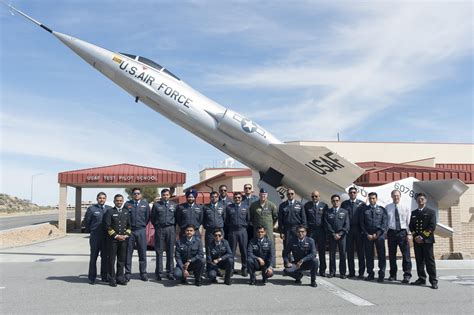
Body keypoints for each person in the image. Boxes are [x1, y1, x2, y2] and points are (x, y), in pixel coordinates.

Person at [409, 193, 438, 289]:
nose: (420, 200)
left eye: (422, 199)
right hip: (417, 241)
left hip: (427, 241)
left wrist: (421, 237)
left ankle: (433, 281)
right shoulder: (413, 213)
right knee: (419, 261)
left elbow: (432, 227)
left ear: (425, 200)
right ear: (416, 201)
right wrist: (415, 236)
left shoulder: (431, 212)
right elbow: (411, 226)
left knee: (430, 261)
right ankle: (421, 279)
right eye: (418, 199)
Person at [84, 192, 111, 284]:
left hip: (106, 237)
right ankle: (92, 277)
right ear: (97, 199)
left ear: (106, 199)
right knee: (93, 257)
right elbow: (86, 222)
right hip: (95, 237)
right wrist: (92, 231)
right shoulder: (91, 209)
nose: (102, 199)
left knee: (105, 258)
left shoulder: (109, 209)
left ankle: (104, 276)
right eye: (100, 198)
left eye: (103, 198)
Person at [360, 192, 388, 282]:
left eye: (373, 198)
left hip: (379, 235)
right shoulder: (364, 210)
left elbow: (384, 223)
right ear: (368, 199)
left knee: (381, 255)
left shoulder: (382, 209)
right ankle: (370, 274)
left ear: (376, 199)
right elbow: (362, 223)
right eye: (370, 198)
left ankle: (381, 274)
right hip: (368, 235)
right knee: (369, 255)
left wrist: (378, 234)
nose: (372, 200)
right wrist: (367, 234)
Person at [385, 190, 412, 283]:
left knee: (406, 255)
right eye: (394, 195)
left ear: (400, 196)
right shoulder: (387, 207)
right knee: (392, 255)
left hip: (402, 232)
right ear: (391, 196)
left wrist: (409, 234)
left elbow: (409, 221)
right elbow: (386, 222)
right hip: (391, 233)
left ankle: (407, 275)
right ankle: (393, 274)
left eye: (397, 195)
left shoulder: (405, 207)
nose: (396, 197)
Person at [150, 188, 177, 281]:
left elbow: (176, 218)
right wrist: (158, 226)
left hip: (170, 229)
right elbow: (152, 218)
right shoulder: (156, 205)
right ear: (161, 196)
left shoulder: (174, 205)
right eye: (164, 195)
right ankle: (159, 273)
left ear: (169, 196)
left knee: (170, 251)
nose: (165, 196)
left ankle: (170, 272)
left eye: (167, 195)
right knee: (159, 252)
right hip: (160, 229)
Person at [124, 187, 150, 282]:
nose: (136, 195)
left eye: (138, 193)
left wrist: (141, 226)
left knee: (142, 253)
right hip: (130, 231)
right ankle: (127, 273)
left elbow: (147, 218)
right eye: (134, 193)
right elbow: (124, 217)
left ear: (141, 195)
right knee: (128, 253)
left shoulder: (145, 204)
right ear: (132, 195)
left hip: (141, 230)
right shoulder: (127, 204)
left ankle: (143, 273)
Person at [104, 194, 131, 287]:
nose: (119, 202)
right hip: (113, 240)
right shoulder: (110, 212)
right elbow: (107, 226)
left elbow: (129, 226)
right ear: (114, 201)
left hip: (123, 240)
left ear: (123, 201)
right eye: (117, 201)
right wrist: (116, 236)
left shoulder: (126, 212)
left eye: (120, 201)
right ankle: (112, 278)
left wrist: (126, 235)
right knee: (111, 260)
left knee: (121, 260)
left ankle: (120, 278)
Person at [249, 188, 278, 267]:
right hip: (257, 229)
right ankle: (257, 263)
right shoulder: (254, 205)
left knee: (269, 245)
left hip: (268, 229)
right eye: (261, 194)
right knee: (257, 245)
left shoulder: (271, 205)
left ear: (267, 195)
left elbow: (275, 217)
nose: (263, 196)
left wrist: (270, 225)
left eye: (264, 195)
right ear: (259, 195)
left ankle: (270, 264)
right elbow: (251, 216)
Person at [341, 187, 366, 279]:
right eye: (351, 192)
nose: (352, 194)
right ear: (348, 194)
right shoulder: (344, 204)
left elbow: (364, 218)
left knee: (360, 252)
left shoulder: (362, 204)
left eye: (354, 192)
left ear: (357, 193)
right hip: (349, 230)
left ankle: (361, 273)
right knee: (350, 253)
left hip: (359, 230)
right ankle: (351, 272)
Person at [278, 188, 307, 264]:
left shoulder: (300, 205)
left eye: (292, 194)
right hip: (287, 229)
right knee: (287, 248)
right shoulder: (282, 205)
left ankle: (298, 266)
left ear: (294, 194)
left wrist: (303, 231)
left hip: (297, 229)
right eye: (288, 194)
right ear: (286, 195)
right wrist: (281, 232)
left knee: (298, 248)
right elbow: (280, 220)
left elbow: (304, 219)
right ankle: (287, 266)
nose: (290, 195)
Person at [225, 192, 250, 277]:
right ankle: (231, 269)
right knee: (232, 251)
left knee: (244, 251)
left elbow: (248, 219)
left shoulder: (246, 207)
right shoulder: (229, 207)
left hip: (242, 231)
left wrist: (243, 226)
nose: (237, 199)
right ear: (233, 198)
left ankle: (244, 268)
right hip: (232, 231)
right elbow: (227, 220)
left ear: (241, 198)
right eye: (235, 197)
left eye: (239, 197)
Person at [304, 190, 328, 277]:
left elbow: (326, 219)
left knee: (322, 252)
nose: (314, 198)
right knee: (311, 252)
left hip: (321, 231)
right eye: (313, 196)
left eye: (316, 196)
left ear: (319, 197)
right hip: (311, 231)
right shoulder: (307, 205)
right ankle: (312, 270)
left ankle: (322, 271)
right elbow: (305, 219)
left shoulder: (324, 206)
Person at [324, 194, 349, 278]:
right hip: (332, 236)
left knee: (342, 254)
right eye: (333, 201)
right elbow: (327, 225)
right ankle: (332, 272)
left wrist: (340, 234)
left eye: (337, 200)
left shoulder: (344, 212)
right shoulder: (328, 212)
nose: (335, 202)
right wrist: (333, 234)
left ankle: (342, 273)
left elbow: (347, 225)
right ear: (331, 202)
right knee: (332, 254)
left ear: (339, 201)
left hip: (342, 236)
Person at [202, 191, 226, 256]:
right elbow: (203, 219)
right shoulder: (205, 207)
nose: (214, 198)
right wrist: (207, 226)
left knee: (221, 248)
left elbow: (225, 218)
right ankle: (209, 264)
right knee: (209, 248)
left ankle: (220, 264)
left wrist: (219, 225)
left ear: (218, 198)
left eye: (216, 197)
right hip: (210, 231)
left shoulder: (223, 206)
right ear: (210, 198)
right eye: (212, 197)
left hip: (220, 230)